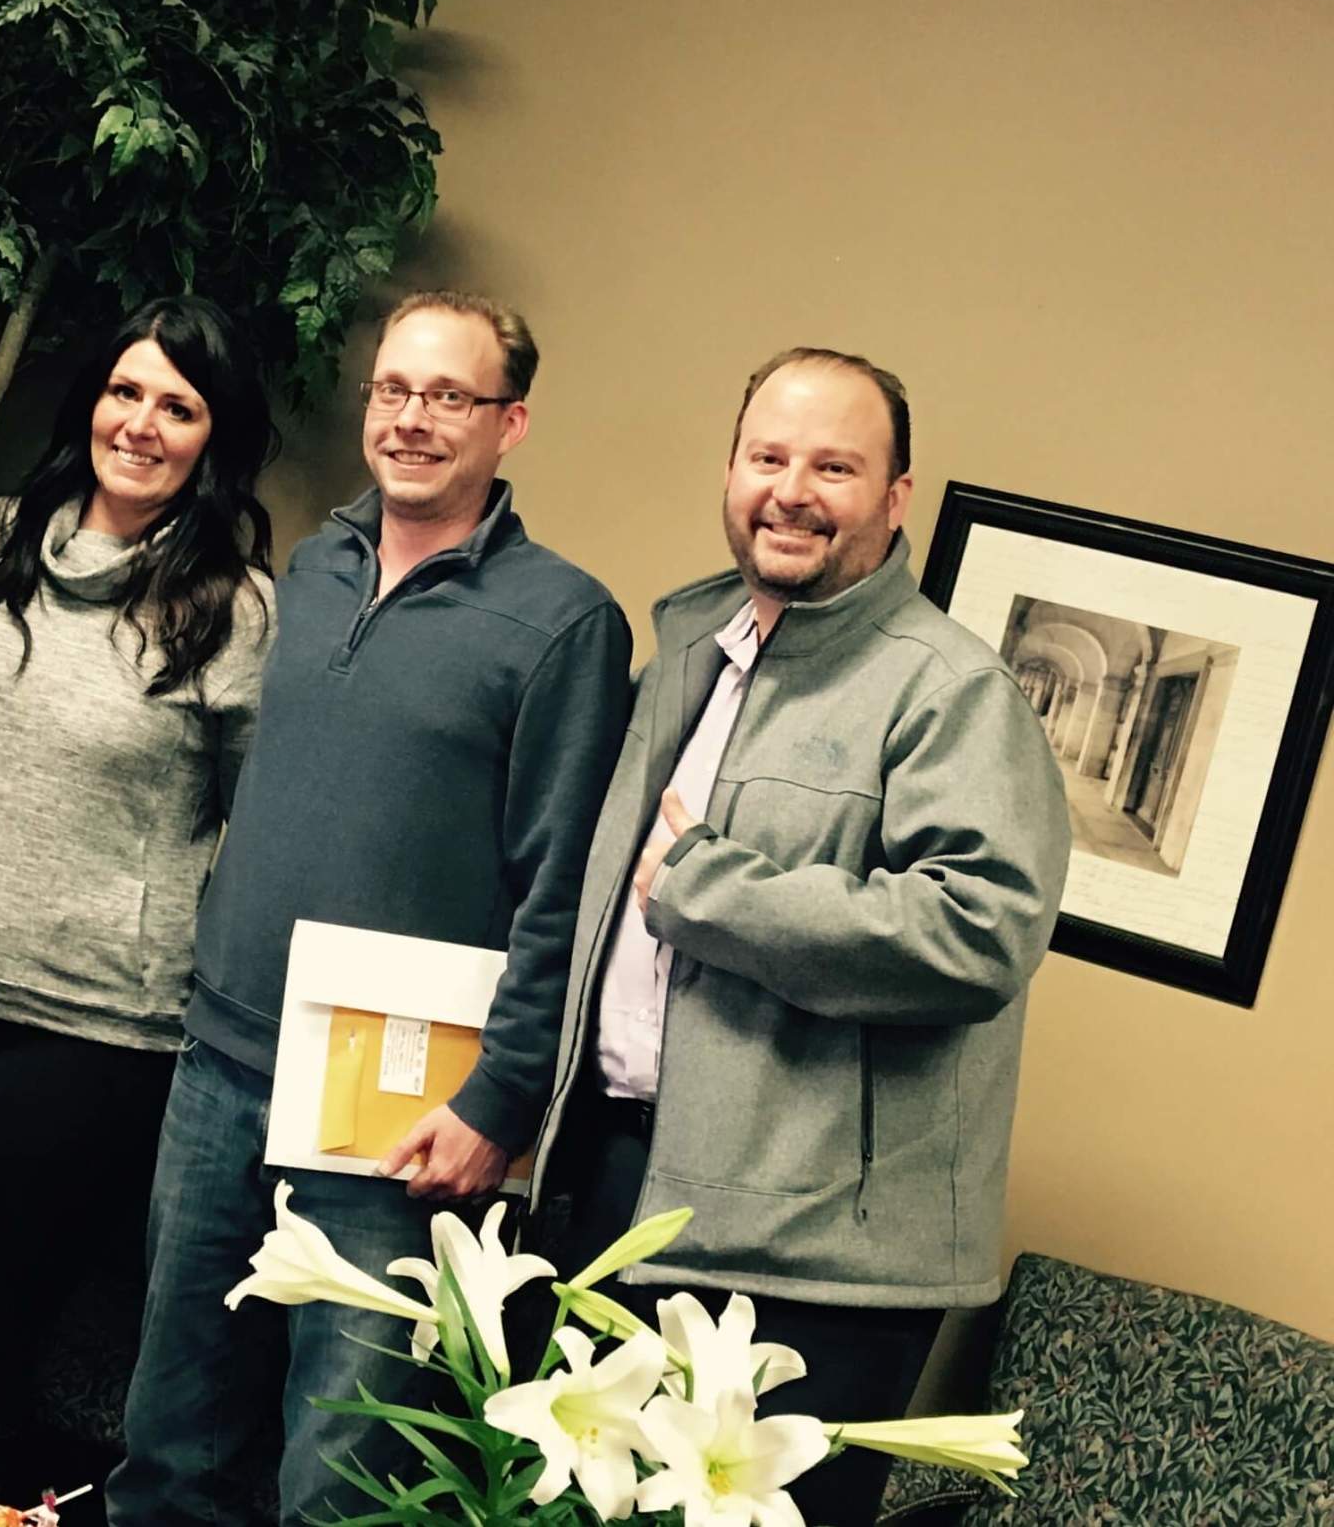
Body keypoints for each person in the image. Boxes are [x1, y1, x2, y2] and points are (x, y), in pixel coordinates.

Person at [107, 290, 632, 1527]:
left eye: (448, 395)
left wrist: (500, 1100)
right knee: (167, 1445)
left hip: (400, 1118)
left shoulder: (565, 624)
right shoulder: (314, 563)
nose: (410, 418)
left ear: (511, 422)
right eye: (393, 389)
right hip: (223, 1069)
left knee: (341, 1476)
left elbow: (565, 891)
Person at [530, 346, 1071, 1527]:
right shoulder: (689, 649)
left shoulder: (951, 688)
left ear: (896, 496)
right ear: (729, 466)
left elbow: (980, 930)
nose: (792, 489)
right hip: (629, 1183)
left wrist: (712, 886)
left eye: (835, 464)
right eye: (768, 455)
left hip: (818, 1259)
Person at [0, 297, 278, 1499]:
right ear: (90, 401)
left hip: (83, 1031)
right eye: (126, 391)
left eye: (178, 405)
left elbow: (259, 828)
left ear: (213, 437)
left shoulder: (238, 613)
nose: (141, 422)